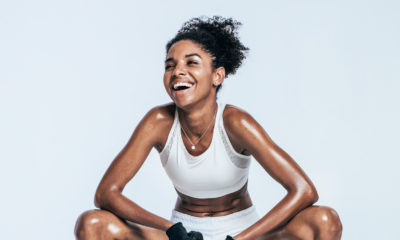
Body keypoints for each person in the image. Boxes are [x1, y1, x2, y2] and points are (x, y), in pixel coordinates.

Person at [74, 16, 343, 240]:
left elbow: (304, 190)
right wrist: (171, 229)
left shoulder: (236, 122)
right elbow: (106, 193)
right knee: (92, 224)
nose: (178, 71)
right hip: (183, 234)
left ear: (217, 76)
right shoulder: (157, 122)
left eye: (191, 63)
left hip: (243, 233)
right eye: (170, 65)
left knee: (323, 220)